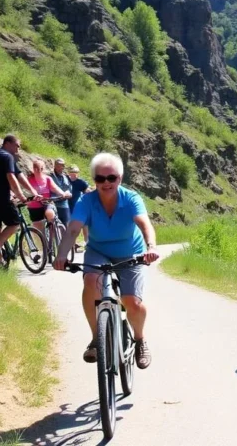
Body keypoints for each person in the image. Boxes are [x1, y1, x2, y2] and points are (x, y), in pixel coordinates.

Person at [54, 153, 159, 369]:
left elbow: (144, 224)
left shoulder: (131, 198)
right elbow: (73, 229)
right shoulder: (86, 201)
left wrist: (151, 247)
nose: (106, 183)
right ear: (94, 180)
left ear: (120, 178)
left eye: (111, 178)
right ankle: (96, 338)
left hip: (131, 253)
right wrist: (61, 255)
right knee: (90, 280)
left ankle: (140, 340)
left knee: (132, 302)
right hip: (98, 251)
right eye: (100, 178)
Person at [0, 134, 39, 267]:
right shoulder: (7, 156)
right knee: (14, 224)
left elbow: (19, 175)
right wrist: (21, 196)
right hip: (1, 197)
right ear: (7, 143)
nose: (18, 149)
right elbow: (12, 177)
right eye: (17, 146)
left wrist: (33, 191)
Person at [26, 159, 68, 235]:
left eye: (41, 168)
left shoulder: (47, 179)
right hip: (34, 206)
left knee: (50, 213)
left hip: (47, 203)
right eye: (36, 168)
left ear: (44, 169)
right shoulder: (28, 180)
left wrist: (63, 194)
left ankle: (55, 235)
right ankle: (43, 241)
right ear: (33, 169)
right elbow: (24, 191)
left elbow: (55, 188)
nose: (39, 170)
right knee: (38, 230)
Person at [66, 165, 91, 244]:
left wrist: (88, 192)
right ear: (69, 173)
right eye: (72, 172)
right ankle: (73, 244)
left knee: (85, 225)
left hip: (79, 206)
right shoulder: (66, 180)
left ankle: (87, 242)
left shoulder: (80, 182)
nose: (74, 174)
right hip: (68, 206)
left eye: (76, 172)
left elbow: (87, 190)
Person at [49, 158, 73, 227]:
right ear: (55, 166)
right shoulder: (50, 176)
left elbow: (69, 187)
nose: (62, 167)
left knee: (66, 224)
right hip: (53, 203)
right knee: (53, 226)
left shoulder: (65, 177)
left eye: (63, 165)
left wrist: (69, 193)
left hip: (64, 204)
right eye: (60, 165)